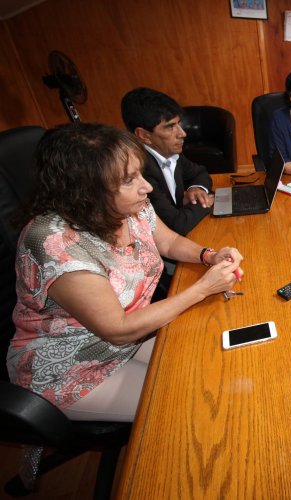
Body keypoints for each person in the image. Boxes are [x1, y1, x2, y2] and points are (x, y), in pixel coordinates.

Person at [7, 123, 244, 422]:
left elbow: (168, 240)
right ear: (86, 191)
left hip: (129, 339)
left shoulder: (130, 206)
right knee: (191, 401)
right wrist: (201, 290)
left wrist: (207, 255)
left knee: (209, 364)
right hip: (69, 366)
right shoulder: (54, 243)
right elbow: (118, 329)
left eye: (140, 174)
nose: (146, 186)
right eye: (129, 180)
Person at [121, 87, 214, 236]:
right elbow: (178, 225)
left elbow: (199, 172)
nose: (182, 133)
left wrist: (196, 189)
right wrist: (207, 201)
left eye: (178, 124)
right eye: (170, 127)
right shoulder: (140, 171)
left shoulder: (167, 152)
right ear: (144, 135)